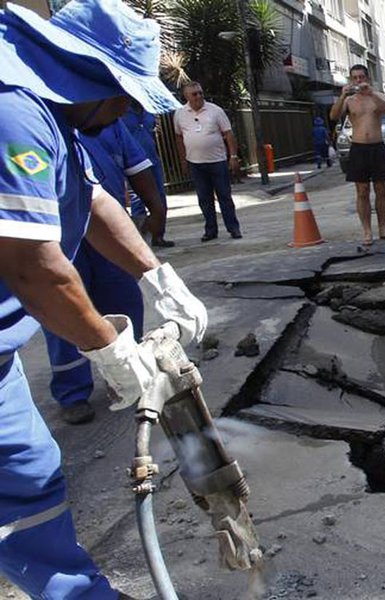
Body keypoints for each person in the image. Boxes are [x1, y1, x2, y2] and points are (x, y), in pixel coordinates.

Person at [0, 0, 209, 597]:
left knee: (30, 478)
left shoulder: (55, 116)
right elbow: (35, 268)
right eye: (126, 96)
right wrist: (110, 350)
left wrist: (159, 277)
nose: (128, 111)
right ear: (94, 75)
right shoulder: (13, 113)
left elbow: (92, 201)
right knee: (24, 483)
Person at [44, 118, 167, 425]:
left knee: (123, 300)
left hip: (106, 229)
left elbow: (137, 168)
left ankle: (127, 373)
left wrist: (156, 207)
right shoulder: (42, 121)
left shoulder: (110, 123)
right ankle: (73, 392)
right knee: (65, 311)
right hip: (59, 235)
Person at [329, 64, 385, 246]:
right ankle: (367, 231)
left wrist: (371, 93)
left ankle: (383, 228)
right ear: (351, 80)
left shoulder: (377, 96)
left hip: (377, 146)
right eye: (355, 78)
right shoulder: (349, 101)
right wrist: (342, 96)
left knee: (381, 190)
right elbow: (333, 116)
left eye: (361, 77)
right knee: (362, 191)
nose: (358, 80)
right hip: (358, 148)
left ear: (367, 78)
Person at [173, 80, 243, 242]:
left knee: (224, 196)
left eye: (200, 93)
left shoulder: (215, 111)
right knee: (204, 199)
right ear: (186, 96)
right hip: (195, 163)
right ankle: (210, 230)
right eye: (194, 94)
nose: (198, 96)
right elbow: (178, 137)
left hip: (217, 161)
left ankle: (233, 228)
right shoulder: (180, 114)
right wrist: (183, 160)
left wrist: (233, 156)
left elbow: (228, 134)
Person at [121, 102, 175, 247]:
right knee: (138, 200)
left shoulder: (148, 110)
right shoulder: (122, 112)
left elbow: (153, 130)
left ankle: (158, 235)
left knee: (160, 198)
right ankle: (141, 238)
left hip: (152, 159)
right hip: (134, 163)